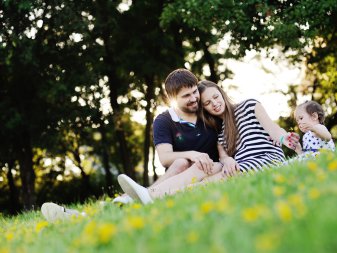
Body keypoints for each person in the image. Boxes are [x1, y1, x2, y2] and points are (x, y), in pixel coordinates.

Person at [40, 69, 224, 221]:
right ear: (173, 98)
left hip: (208, 169)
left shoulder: (207, 109)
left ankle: (91, 213)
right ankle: (87, 214)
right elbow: (165, 157)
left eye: (194, 92)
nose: (194, 98)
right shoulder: (164, 120)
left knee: (184, 164)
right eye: (186, 96)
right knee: (180, 162)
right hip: (181, 171)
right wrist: (192, 153)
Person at [116, 79, 300, 204]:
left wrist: (284, 138)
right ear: (204, 108)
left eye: (215, 97)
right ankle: (148, 195)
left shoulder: (249, 105)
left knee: (213, 180)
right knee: (203, 167)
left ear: (222, 93)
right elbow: (223, 156)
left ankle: (152, 196)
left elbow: (273, 129)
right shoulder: (218, 128)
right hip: (239, 164)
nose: (214, 103)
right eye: (207, 103)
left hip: (265, 159)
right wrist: (227, 160)